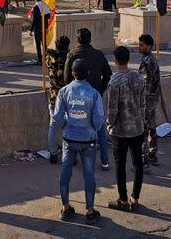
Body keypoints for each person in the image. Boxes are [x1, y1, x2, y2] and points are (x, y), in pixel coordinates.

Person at [53, 59, 103, 224]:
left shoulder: (64, 91)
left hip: (69, 138)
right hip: (88, 140)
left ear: (72, 73)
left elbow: (58, 116)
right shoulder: (94, 94)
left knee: (65, 172)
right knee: (89, 174)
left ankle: (65, 207)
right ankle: (90, 210)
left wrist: (67, 126)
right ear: (87, 74)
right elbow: (98, 121)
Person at [64, 28, 113, 170]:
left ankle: (72, 158)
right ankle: (105, 161)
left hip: (77, 98)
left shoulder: (72, 54)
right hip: (95, 96)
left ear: (77, 40)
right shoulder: (98, 54)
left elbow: (66, 79)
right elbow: (108, 76)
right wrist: (100, 89)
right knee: (100, 130)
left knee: (74, 128)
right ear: (90, 39)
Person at [105, 46, 145, 212]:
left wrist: (109, 124)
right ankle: (135, 198)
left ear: (115, 61)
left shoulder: (114, 82)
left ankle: (122, 199)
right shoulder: (138, 77)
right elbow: (142, 102)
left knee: (120, 164)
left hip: (121, 130)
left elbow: (112, 109)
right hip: (137, 127)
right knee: (138, 163)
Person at [45, 35, 71, 164]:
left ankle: (53, 153)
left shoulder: (49, 57)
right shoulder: (68, 58)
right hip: (67, 97)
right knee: (68, 127)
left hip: (54, 95)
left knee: (53, 125)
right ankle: (68, 154)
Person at [137, 34, 160, 169]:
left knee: (144, 129)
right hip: (153, 98)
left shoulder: (147, 61)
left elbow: (146, 83)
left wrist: (141, 100)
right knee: (151, 126)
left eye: (142, 45)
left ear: (149, 46)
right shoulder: (151, 59)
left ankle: (144, 160)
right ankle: (152, 155)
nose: (140, 47)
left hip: (147, 99)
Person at [30, 0, 51, 64]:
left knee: (38, 45)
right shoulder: (45, 5)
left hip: (38, 28)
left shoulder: (36, 7)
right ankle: (45, 59)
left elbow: (34, 20)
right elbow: (48, 16)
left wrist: (31, 30)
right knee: (44, 44)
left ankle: (39, 60)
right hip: (44, 27)